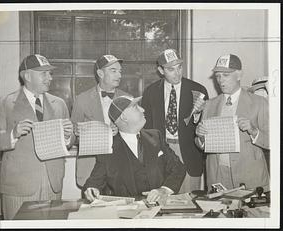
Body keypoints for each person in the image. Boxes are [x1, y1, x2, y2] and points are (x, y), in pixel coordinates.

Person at [0, 54, 73, 219]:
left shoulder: (59, 103)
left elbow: (70, 141)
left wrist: (67, 136)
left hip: (53, 184)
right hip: (19, 186)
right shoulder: (3, 103)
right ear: (27, 76)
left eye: (50, 73)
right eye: (43, 73)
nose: (50, 78)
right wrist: (13, 134)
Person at [83, 95, 186, 202]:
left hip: (160, 209)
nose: (143, 109)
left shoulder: (156, 136)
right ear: (124, 117)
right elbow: (93, 183)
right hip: (127, 214)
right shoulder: (108, 148)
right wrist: (91, 189)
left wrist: (164, 190)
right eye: (136, 107)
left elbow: (178, 167)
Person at [195, 54, 269, 191]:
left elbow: (274, 142)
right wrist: (200, 137)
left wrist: (254, 131)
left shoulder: (259, 103)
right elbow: (201, 145)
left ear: (239, 75)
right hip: (217, 177)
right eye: (218, 76)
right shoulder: (209, 105)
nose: (220, 80)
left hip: (249, 177)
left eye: (226, 75)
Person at [141, 49, 209, 193]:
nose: (177, 73)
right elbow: (147, 128)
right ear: (160, 70)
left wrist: (198, 115)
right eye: (171, 69)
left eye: (179, 67)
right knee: (164, 199)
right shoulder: (150, 92)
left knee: (189, 201)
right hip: (162, 152)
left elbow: (205, 126)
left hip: (189, 153)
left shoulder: (198, 90)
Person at [71, 54, 130, 188]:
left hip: (121, 169)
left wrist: (120, 130)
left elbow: (136, 136)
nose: (119, 75)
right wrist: (78, 133)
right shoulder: (81, 100)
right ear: (100, 73)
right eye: (113, 71)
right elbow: (72, 137)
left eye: (120, 71)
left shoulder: (128, 99)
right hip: (91, 170)